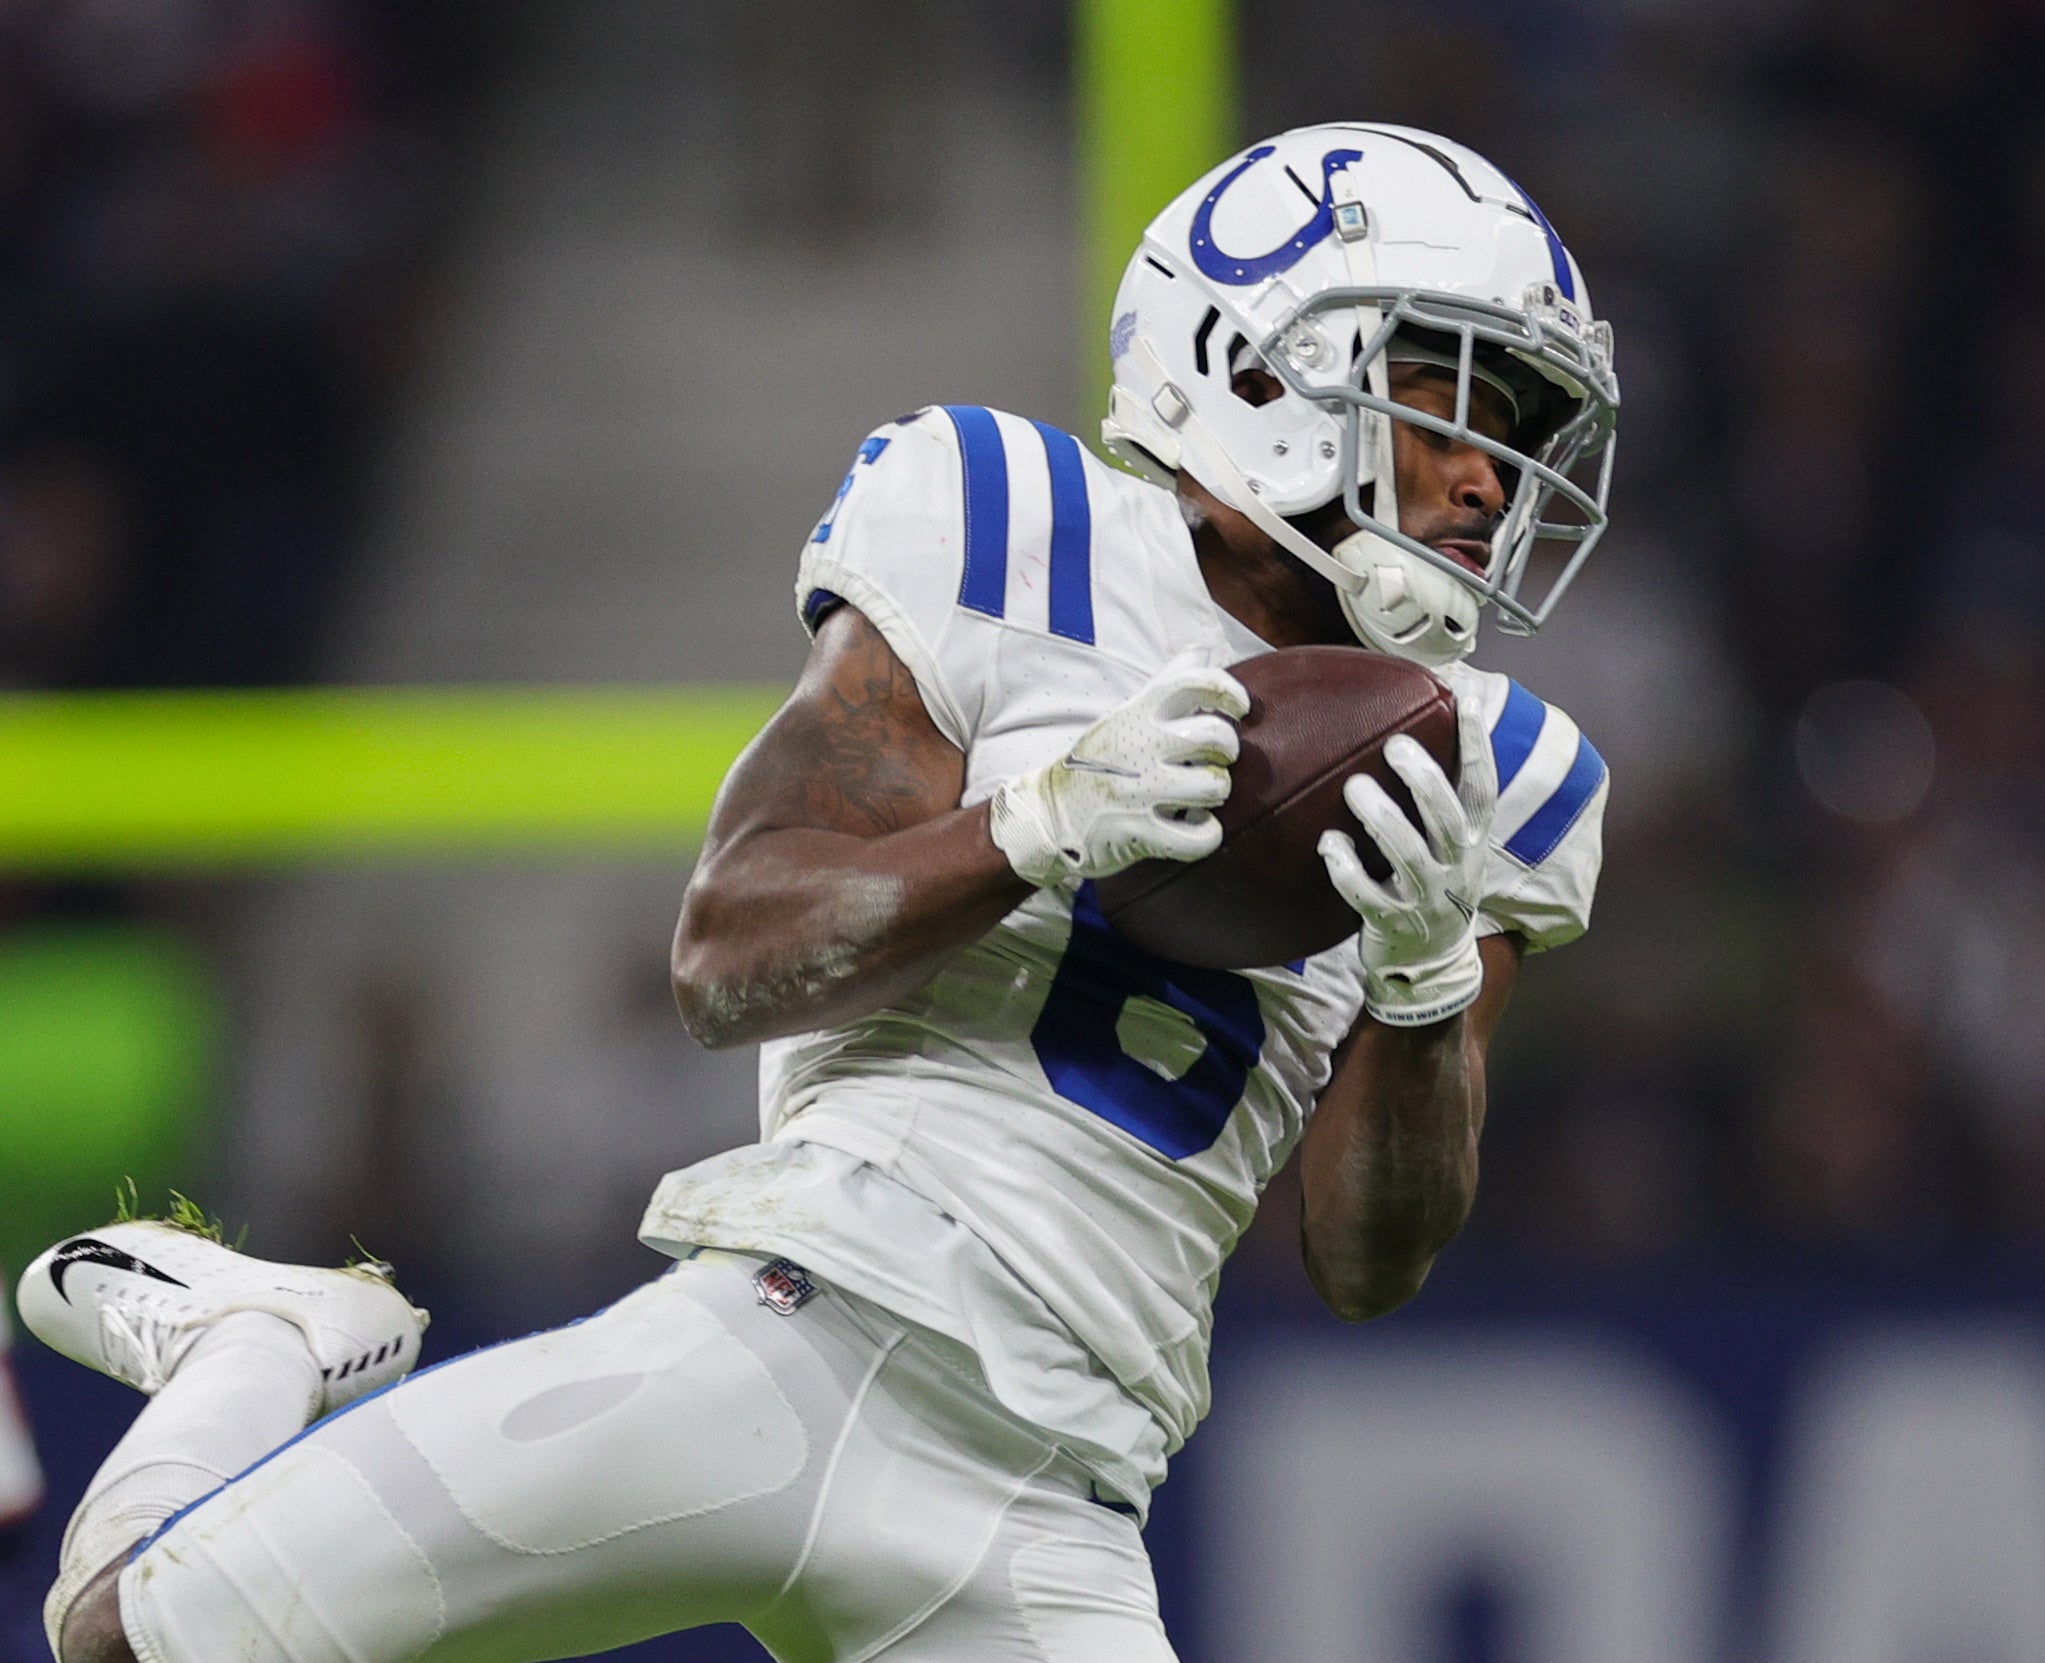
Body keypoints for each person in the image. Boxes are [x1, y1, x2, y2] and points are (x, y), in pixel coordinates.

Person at [13, 122, 1619, 1663]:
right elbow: (728, 956)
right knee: (140, 1644)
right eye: (1443, 404)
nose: (1488, 486)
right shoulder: (1014, 520)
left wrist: (1419, 994)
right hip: (790, 1332)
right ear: (1260, 368)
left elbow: (1367, 1261)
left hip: (1055, 1498)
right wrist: (1038, 827)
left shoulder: (1503, 770)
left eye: (1520, 442)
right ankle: (258, 1349)